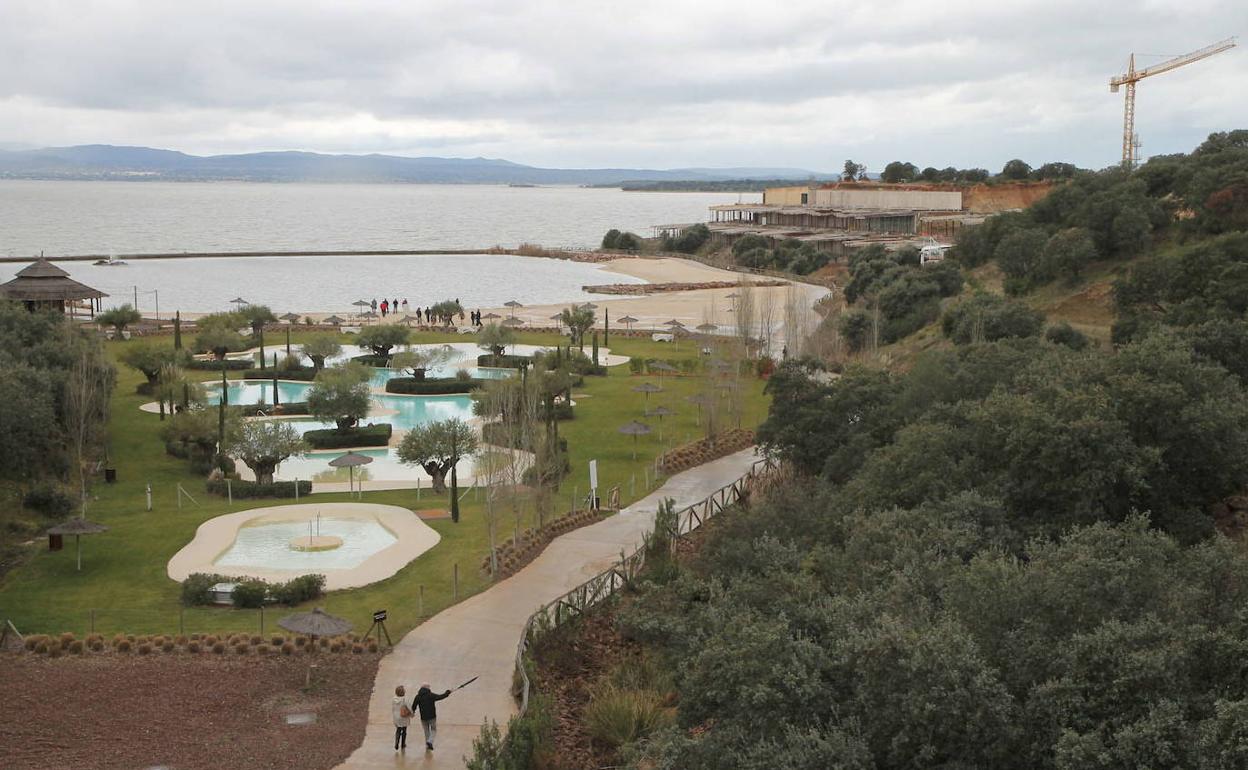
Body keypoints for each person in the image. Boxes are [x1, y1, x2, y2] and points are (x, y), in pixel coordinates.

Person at [412, 682, 451, 751]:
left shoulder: (418, 696)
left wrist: (412, 712)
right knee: (433, 729)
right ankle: (430, 742)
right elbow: (440, 697)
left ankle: (427, 745)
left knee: (426, 731)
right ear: (427, 688)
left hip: (423, 717)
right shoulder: (431, 695)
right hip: (432, 716)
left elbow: (413, 706)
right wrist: (447, 692)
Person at [392, 685, 412, 751]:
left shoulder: (394, 699)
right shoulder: (405, 699)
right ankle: (403, 744)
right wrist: (412, 714)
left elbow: (393, 708)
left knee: (398, 730)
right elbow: (409, 707)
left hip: (396, 716)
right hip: (403, 717)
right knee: (404, 730)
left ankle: (396, 743)